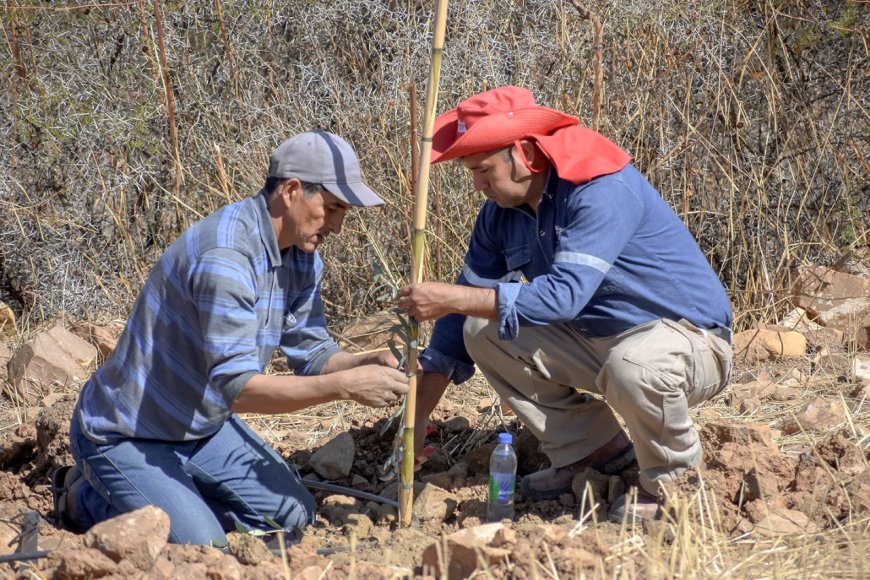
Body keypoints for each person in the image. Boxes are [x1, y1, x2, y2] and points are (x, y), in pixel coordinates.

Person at [51, 131, 409, 547]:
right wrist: (344, 388)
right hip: (128, 432)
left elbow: (312, 352)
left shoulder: (302, 256)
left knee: (293, 514)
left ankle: (174, 498)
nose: (338, 225)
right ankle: (80, 498)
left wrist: (364, 364)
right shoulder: (226, 258)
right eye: (332, 208)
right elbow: (240, 392)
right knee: (204, 548)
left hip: (200, 427)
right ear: (292, 190)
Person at [397, 86, 732, 522]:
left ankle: (673, 485)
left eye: (483, 170)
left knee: (635, 366)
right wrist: (417, 417)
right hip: (599, 344)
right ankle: (591, 452)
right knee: (480, 330)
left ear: (524, 154)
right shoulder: (499, 214)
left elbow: (562, 295)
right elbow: (457, 325)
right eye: (471, 174)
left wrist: (449, 296)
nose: (479, 186)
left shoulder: (598, 188)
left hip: (687, 343)